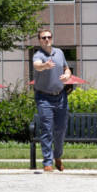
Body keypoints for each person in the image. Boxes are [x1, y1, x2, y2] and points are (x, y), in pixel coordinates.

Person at [32, 29, 72, 172]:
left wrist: (67, 75)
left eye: (49, 37)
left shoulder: (59, 52)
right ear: (39, 40)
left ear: (52, 38)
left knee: (61, 129)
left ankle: (58, 156)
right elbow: (37, 65)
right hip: (44, 98)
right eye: (43, 38)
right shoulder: (38, 55)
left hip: (61, 97)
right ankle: (47, 162)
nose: (47, 39)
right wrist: (45, 66)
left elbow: (67, 68)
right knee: (47, 129)